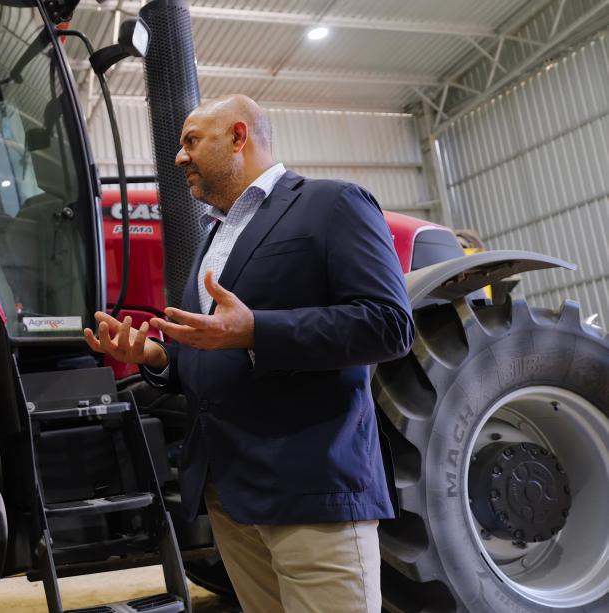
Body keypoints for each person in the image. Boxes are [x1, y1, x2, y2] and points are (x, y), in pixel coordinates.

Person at [84, 95, 413, 612]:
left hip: (312, 487)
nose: (179, 157)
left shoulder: (332, 204)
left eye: (192, 141)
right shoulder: (215, 234)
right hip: (229, 492)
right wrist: (158, 357)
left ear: (239, 136)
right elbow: (217, 345)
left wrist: (257, 330)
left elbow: (390, 325)